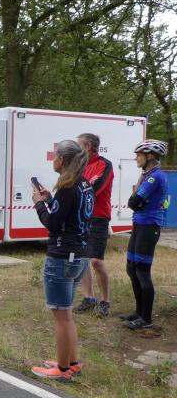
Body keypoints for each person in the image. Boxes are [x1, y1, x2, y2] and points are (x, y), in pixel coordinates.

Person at [30, 140, 94, 383]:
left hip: (62, 257)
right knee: (67, 315)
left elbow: (53, 223)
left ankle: (63, 369)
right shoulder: (84, 184)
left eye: (55, 156)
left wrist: (39, 204)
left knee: (62, 317)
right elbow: (67, 215)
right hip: (80, 256)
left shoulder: (67, 188)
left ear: (63, 160)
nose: (53, 160)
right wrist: (50, 201)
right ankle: (72, 363)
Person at [121, 139, 170, 331]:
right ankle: (138, 312)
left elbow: (133, 202)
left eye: (139, 155)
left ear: (150, 156)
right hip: (139, 224)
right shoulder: (147, 175)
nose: (136, 158)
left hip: (149, 225)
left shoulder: (155, 177)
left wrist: (136, 198)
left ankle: (146, 318)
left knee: (142, 270)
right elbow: (135, 201)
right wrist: (136, 198)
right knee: (131, 268)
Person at [73, 133, 114, 317]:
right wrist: (85, 186)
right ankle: (89, 298)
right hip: (81, 217)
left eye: (78, 145)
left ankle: (105, 301)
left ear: (88, 147)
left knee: (96, 261)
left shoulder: (104, 164)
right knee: (82, 259)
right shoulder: (78, 166)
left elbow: (95, 189)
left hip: (99, 217)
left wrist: (84, 188)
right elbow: (72, 188)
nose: (76, 148)